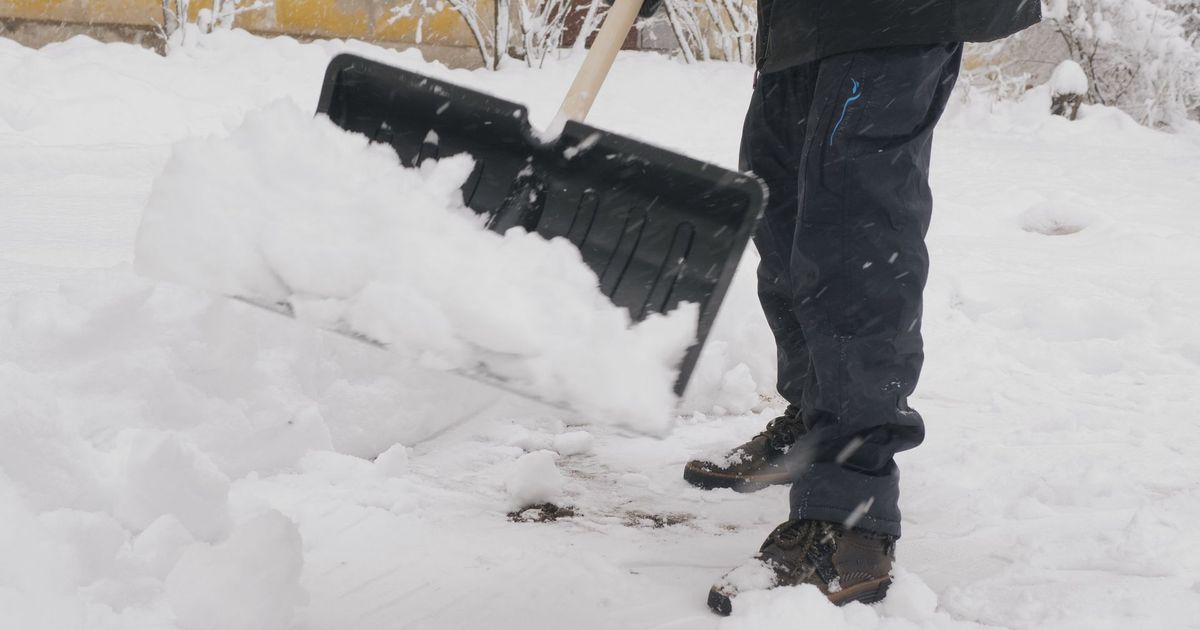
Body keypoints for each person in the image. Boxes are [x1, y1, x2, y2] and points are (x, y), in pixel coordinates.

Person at [637, 0, 1041, 616]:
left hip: (895, 15)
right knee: (784, 220)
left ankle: (851, 507)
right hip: (801, 22)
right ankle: (814, 417)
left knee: (854, 241)